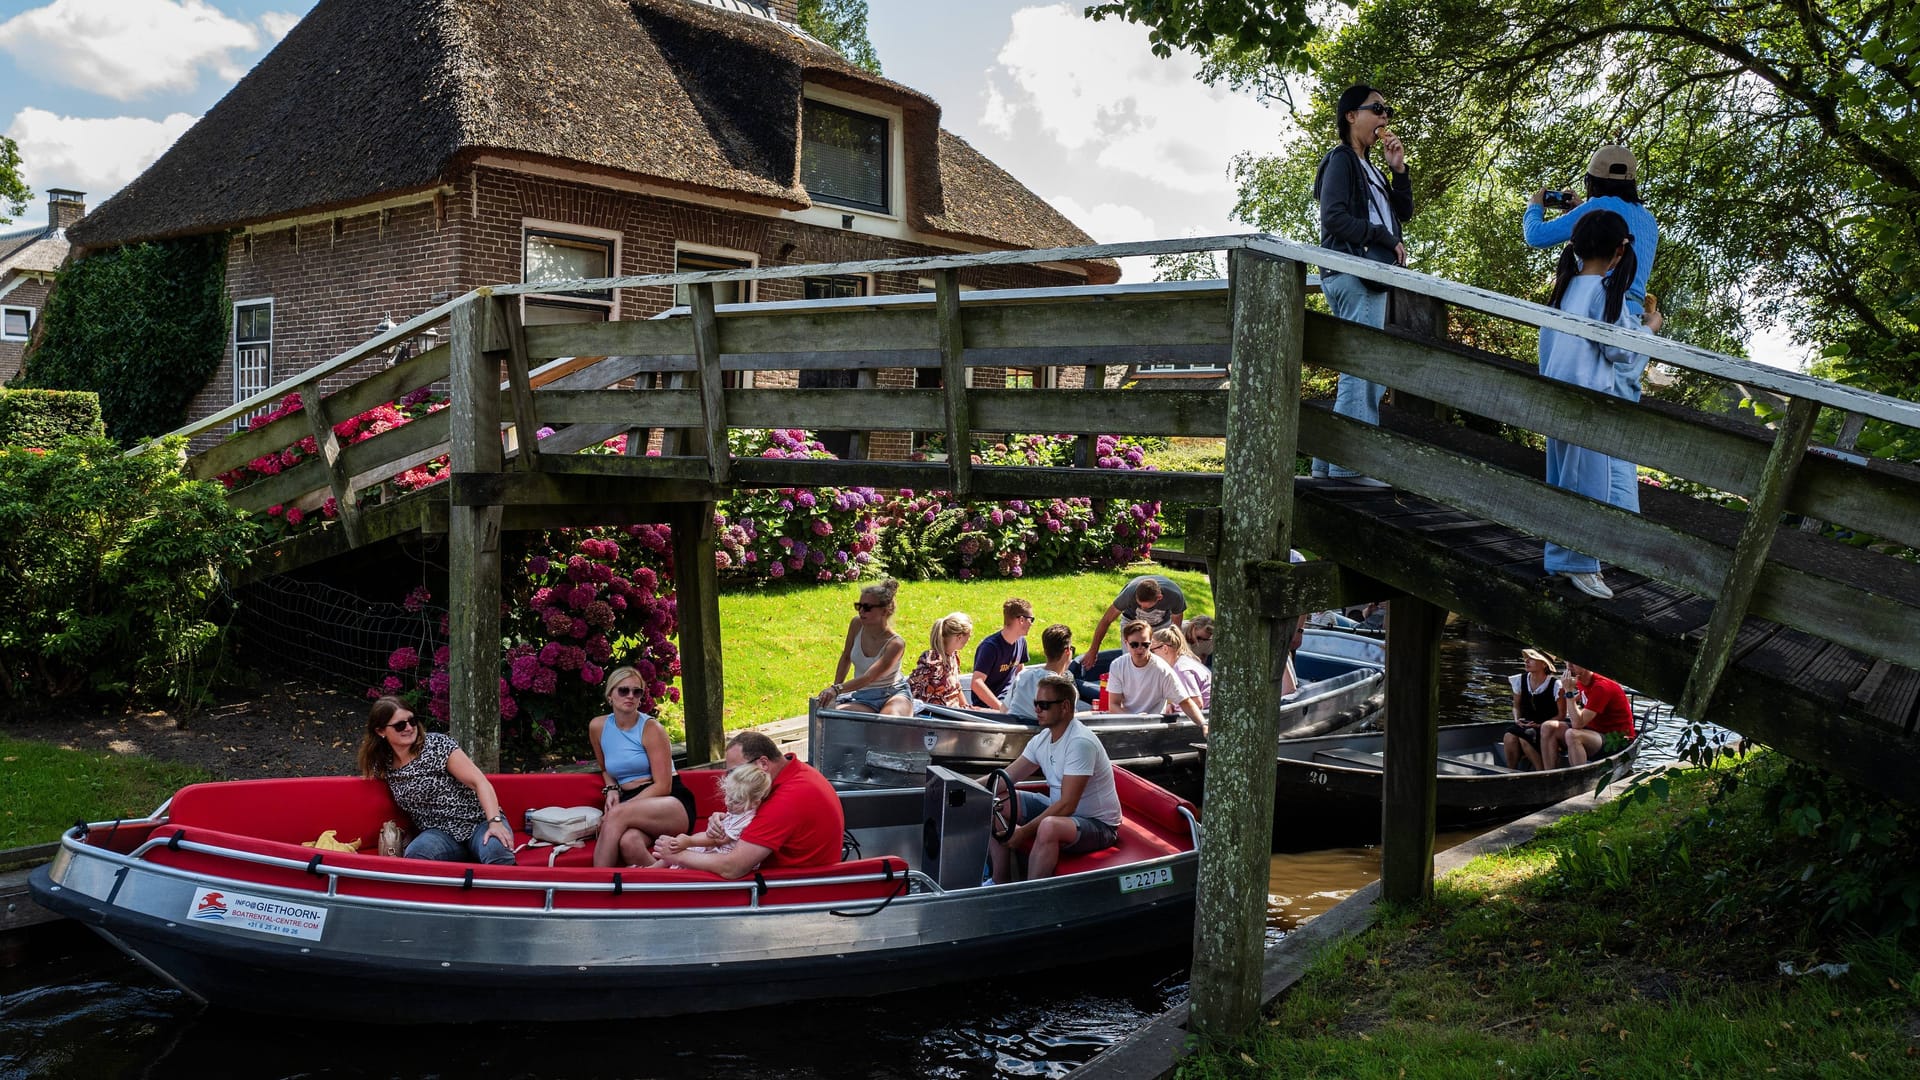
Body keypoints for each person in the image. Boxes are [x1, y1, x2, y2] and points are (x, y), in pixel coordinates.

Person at [1537, 209, 1664, 599]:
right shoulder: (1605, 292)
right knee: (1590, 486)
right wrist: (1650, 329)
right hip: (1588, 404)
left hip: (1558, 396)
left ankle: (1560, 558)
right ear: (1617, 253)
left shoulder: (1566, 287)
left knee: (1561, 481)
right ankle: (1581, 565)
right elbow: (1620, 351)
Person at [1308, 83, 1413, 487]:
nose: (1385, 118)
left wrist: (1398, 170)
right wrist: (1384, 239)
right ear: (1351, 116)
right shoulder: (1341, 160)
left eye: (1387, 111)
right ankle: (1351, 469)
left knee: (1360, 371)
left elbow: (1404, 211)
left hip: (1370, 274)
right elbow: (1333, 219)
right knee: (1364, 372)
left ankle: (1327, 465)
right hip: (1354, 272)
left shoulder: (1370, 166)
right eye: (1377, 109)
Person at [987, 673, 1122, 882]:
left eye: (1044, 705)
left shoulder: (1079, 743)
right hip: (1062, 813)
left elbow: (1067, 805)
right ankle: (999, 883)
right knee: (993, 802)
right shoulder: (1043, 738)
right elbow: (1006, 778)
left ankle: (1031, 899)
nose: (1037, 710)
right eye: (1036, 703)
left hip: (1098, 825)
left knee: (1049, 826)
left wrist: (1023, 833)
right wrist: (966, 789)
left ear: (1065, 707)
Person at [656, 731, 844, 877]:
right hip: (791, 876)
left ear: (763, 763)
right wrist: (722, 818)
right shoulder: (791, 775)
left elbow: (733, 868)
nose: (730, 779)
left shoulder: (788, 798)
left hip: (791, 888)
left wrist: (676, 855)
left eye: (734, 772)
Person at [358, 696, 514, 865]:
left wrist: (495, 822)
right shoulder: (382, 763)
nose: (409, 728)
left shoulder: (437, 745)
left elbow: (479, 782)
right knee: (417, 854)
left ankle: (511, 889)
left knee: (497, 851)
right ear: (381, 731)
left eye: (412, 720)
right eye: (400, 725)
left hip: (478, 822)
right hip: (439, 834)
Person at [590, 665, 696, 868]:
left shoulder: (651, 728)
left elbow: (663, 785)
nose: (630, 696)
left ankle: (596, 887)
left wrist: (620, 809)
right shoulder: (597, 727)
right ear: (610, 694)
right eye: (623, 690)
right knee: (629, 843)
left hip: (668, 800)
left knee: (616, 815)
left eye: (636, 691)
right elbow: (605, 768)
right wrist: (611, 787)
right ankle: (671, 886)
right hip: (631, 802)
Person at [818, 578, 912, 715]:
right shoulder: (856, 624)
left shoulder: (896, 644)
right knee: (830, 715)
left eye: (867, 607)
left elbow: (869, 677)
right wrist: (834, 691)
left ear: (884, 611)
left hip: (893, 695)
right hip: (864, 697)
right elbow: (846, 657)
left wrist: (837, 689)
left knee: (887, 721)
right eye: (859, 606)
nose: (861, 611)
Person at [652, 762, 772, 869]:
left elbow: (717, 839)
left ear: (755, 803)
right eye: (728, 796)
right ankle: (650, 870)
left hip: (722, 856)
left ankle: (656, 874)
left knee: (681, 851)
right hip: (715, 849)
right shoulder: (740, 809)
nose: (728, 802)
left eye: (736, 800)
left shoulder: (745, 820)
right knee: (678, 849)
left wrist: (689, 841)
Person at [1104, 619, 1208, 728]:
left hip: (1154, 725)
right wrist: (1135, 718)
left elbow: (1185, 702)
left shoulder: (1162, 669)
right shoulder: (1118, 665)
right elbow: (1113, 705)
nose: (1140, 649)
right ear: (1126, 643)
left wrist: (1203, 725)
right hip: (1127, 723)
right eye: (1134, 644)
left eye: (1145, 645)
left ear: (1151, 644)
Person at [1539, 662, 1638, 769]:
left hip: (1616, 739)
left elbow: (1577, 724)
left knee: (1572, 734)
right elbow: (1582, 696)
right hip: (1594, 731)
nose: (1569, 666)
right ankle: (1549, 775)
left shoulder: (1601, 687)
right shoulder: (1581, 680)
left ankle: (1580, 780)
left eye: (1574, 663)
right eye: (1567, 662)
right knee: (1548, 727)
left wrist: (1569, 691)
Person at [1079, 575, 1186, 668]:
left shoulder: (1174, 596)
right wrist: (1093, 650)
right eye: (1139, 605)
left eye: (1146, 606)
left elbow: (1175, 629)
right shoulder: (1129, 593)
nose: (1142, 608)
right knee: (1132, 661)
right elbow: (1106, 620)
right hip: (1131, 622)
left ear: (1159, 597)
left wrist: (1175, 650)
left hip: (1161, 624)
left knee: (1162, 660)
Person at [1504, 648, 1564, 771]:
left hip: (1545, 728)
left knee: (1525, 737)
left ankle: (1540, 771)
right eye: (1527, 658)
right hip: (1524, 723)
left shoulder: (1556, 685)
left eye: (1532, 658)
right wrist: (1517, 720)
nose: (1526, 661)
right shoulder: (1519, 680)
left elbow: (1561, 715)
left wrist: (1540, 725)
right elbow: (1516, 706)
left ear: (1544, 664)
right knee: (1509, 736)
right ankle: (1510, 772)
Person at [971, 597, 1033, 711]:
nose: (1032, 624)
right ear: (1021, 620)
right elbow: (976, 683)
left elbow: (1019, 672)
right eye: (1031, 619)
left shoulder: (1021, 641)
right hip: (988, 708)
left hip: (1010, 702)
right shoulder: (990, 647)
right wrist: (1001, 708)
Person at [1004, 623, 1077, 720]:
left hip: (1011, 730)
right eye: (1072, 649)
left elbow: (1004, 709)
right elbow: (1068, 722)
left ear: (1045, 651)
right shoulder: (1067, 690)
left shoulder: (1022, 676)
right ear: (1067, 651)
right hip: (1042, 733)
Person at [907, 611, 973, 708]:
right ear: (959, 637)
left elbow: (957, 687)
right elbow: (912, 684)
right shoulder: (932, 659)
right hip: (937, 713)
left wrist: (967, 708)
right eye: (969, 635)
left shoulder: (953, 656)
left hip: (955, 712)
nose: (970, 638)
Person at [1151, 625, 1212, 710]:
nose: (1149, 655)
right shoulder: (1184, 661)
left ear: (1165, 648)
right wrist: (1172, 705)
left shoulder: (1180, 670)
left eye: (1152, 651)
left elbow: (1197, 704)